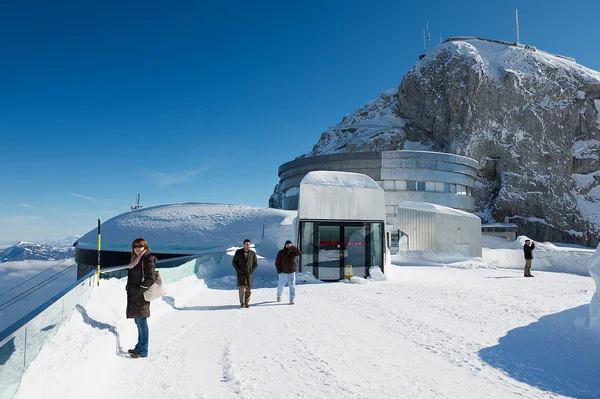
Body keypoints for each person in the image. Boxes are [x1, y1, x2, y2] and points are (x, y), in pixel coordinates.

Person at [126, 238, 157, 358]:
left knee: (142, 322)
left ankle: (143, 351)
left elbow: (151, 278)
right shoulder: (135, 258)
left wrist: (139, 290)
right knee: (138, 322)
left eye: (140, 246)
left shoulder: (147, 259)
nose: (137, 249)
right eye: (135, 247)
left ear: (145, 247)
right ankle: (139, 347)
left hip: (141, 295)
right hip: (134, 295)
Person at [232, 239, 258, 308]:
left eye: (249, 244)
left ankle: (246, 302)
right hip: (240, 273)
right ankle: (242, 303)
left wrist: (251, 270)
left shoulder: (253, 253)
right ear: (244, 244)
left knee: (248, 289)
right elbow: (234, 262)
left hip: (249, 274)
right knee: (241, 288)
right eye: (246, 244)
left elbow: (255, 264)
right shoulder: (238, 252)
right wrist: (238, 270)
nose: (248, 245)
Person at [275, 240, 301, 305]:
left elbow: (299, 252)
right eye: (287, 244)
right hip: (283, 272)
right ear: (285, 245)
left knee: (292, 286)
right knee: (281, 285)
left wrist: (293, 247)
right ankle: (278, 295)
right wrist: (279, 271)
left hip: (291, 272)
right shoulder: (281, 252)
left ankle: (291, 299)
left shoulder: (293, 252)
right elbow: (277, 262)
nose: (288, 245)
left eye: (290, 244)